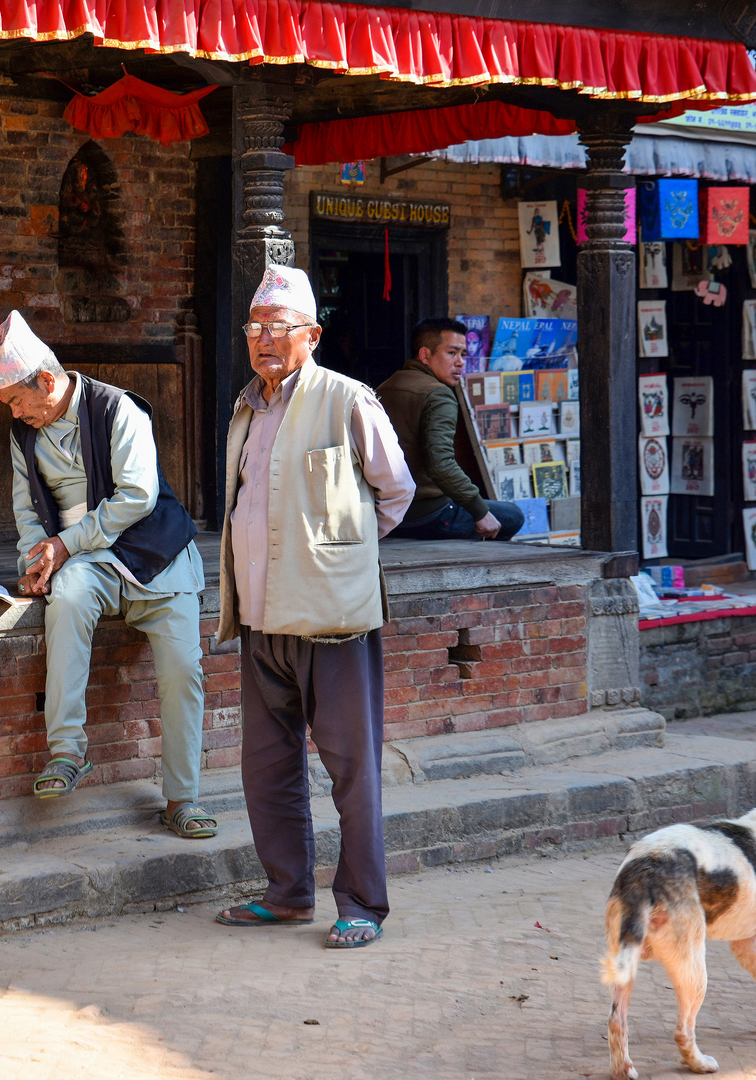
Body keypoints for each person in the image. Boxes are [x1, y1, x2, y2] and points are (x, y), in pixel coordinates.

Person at [212, 265, 415, 948]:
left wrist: (340, 558)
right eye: (254, 329)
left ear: (313, 335)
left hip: (331, 620)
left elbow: (396, 493)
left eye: (278, 328)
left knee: (351, 769)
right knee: (267, 767)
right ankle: (288, 892)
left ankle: (360, 903)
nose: (264, 340)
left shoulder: (347, 400)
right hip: (260, 617)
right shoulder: (248, 406)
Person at [0, 311, 216, 839]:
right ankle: (67, 752)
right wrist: (33, 562)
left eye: (18, 400)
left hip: (157, 557)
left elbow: (137, 496)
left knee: (184, 670)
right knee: (66, 596)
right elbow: (26, 512)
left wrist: (64, 544)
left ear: (46, 380)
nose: (16, 413)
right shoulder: (24, 434)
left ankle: (183, 797)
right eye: (9, 407)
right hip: (87, 563)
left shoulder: (118, 409)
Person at [379, 316, 524, 541]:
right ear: (425, 355)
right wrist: (479, 511)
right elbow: (441, 464)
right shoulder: (439, 394)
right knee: (513, 515)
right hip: (429, 513)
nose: (460, 362)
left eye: (463, 354)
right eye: (452, 353)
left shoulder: (385, 387)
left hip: (387, 513)